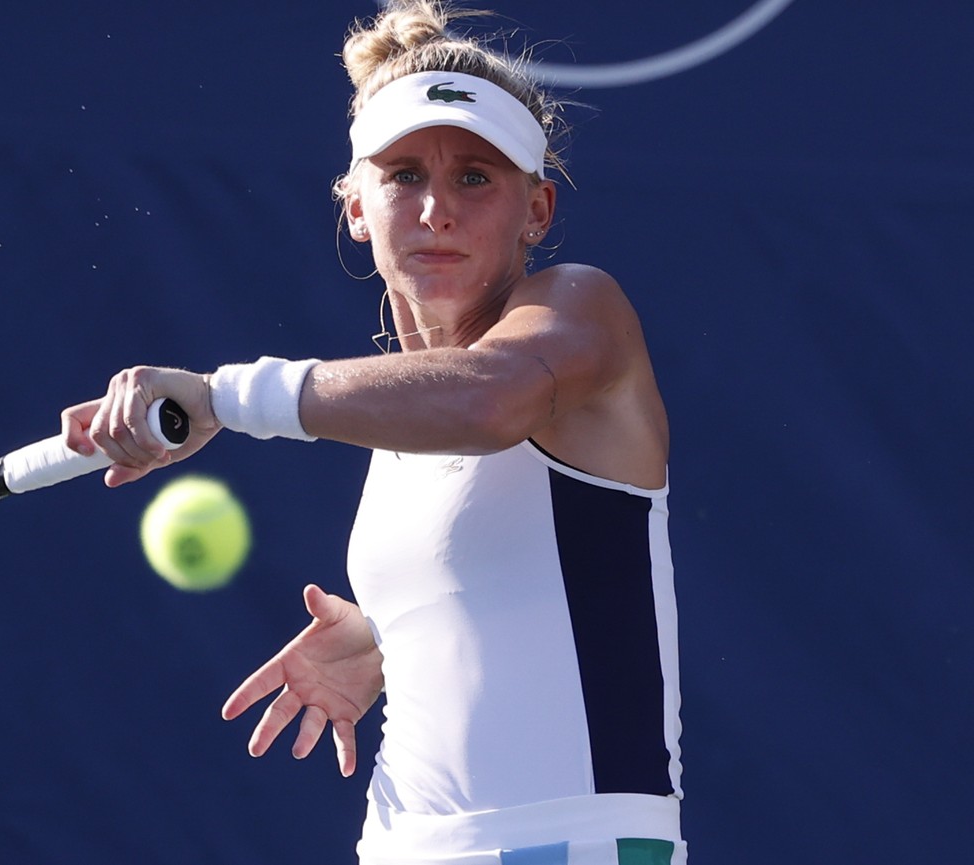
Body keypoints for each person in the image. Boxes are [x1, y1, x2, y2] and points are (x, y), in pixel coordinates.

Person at [61, 2, 684, 862]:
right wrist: (394, 626)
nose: (436, 210)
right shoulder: (396, 422)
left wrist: (224, 396)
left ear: (536, 210)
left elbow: (486, 403)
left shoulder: (581, 311)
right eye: (402, 177)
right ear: (356, 205)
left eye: (475, 177)